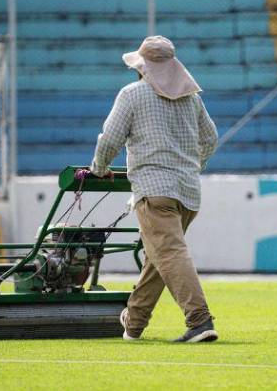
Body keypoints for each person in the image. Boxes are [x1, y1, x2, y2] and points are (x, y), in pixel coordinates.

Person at [89, 35, 219, 343]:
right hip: (188, 194)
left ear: (142, 67)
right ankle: (133, 323)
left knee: (169, 254)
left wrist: (99, 169)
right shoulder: (192, 98)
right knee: (158, 258)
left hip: (154, 190)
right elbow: (210, 139)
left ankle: (199, 320)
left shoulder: (132, 94)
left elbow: (109, 140)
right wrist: (191, 166)